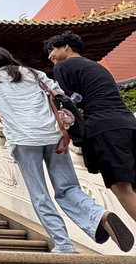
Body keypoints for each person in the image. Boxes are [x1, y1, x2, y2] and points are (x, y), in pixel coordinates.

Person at [0, 46, 133, 253]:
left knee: (40, 194)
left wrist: (12, 124)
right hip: (54, 136)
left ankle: (64, 244)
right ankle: (99, 215)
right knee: (68, 188)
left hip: (23, 140)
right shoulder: (34, 73)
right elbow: (58, 94)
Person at [45, 31, 136, 224]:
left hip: (104, 128)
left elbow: (67, 102)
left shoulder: (63, 66)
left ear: (65, 47)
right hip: (128, 123)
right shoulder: (97, 66)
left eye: (52, 49)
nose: (49, 56)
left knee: (121, 187)